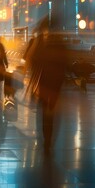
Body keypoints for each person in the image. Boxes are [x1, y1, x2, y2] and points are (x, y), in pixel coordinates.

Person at [25, 15, 69, 154]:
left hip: (43, 82)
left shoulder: (40, 42)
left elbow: (32, 60)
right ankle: (48, 140)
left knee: (45, 111)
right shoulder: (60, 43)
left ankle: (46, 140)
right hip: (55, 82)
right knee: (50, 110)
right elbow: (65, 62)